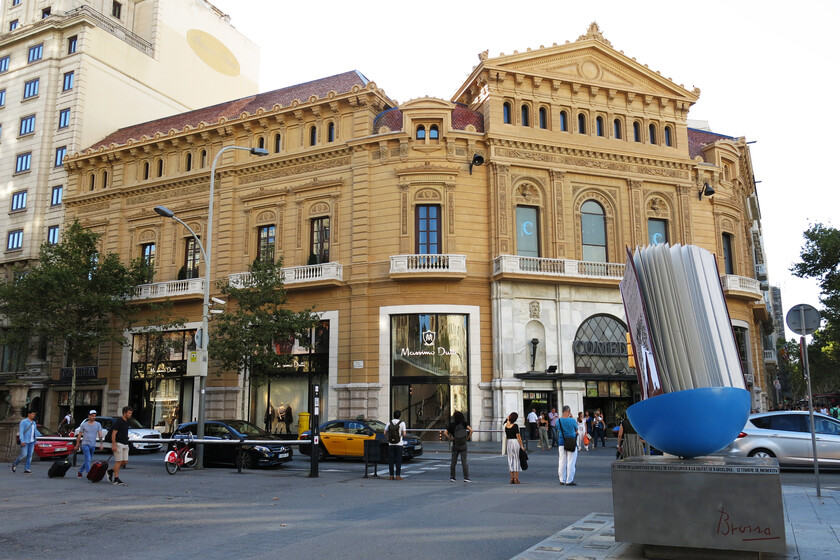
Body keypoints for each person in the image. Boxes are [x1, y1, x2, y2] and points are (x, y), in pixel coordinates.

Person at [107, 406, 133, 486]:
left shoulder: (127, 422)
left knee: (124, 461)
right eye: (129, 413)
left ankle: (110, 471)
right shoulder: (119, 421)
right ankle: (116, 479)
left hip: (125, 443)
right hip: (119, 443)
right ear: (124, 413)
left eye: (131, 413)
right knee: (118, 461)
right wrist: (114, 444)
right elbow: (113, 434)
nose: (130, 415)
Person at [444, 410, 473, 482]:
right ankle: (466, 477)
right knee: (464, 462)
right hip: (463, 444)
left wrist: (451, 438)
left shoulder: (452, 424)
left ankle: (452, 477)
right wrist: (467, 438)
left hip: (455, 444)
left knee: (453, 461)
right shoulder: (464, 423)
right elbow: (471, 430)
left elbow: (445, 433)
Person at [75, 410, 104, 478]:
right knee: (88, 459)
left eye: (94, 416)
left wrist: (101, 444)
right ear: (89, 416)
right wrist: (77, 444)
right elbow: (79, 435)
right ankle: (90, 473)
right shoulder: (84, 425)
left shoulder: (98, 424)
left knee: (88, 459)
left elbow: (100, 434)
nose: (93, 417)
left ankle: (80, 471)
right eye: (92, 416)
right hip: (85, 444)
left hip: (92, 444)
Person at [11, 410, 40, 474]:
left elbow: (35, 432)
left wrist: (38, 438)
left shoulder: (34, 423)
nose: (33, 416)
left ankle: (27, 469)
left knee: (29, 455)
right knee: (24, 454)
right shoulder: (24, 422)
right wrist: (22, 440)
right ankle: (15, 463)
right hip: (25, 441)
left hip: (32, 441)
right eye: (32, 414)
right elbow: (21, 432)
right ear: (29, 414)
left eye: (34, 414)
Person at [557, 405, 579, 486]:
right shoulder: (572, 421)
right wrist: (572, 418)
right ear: (568, 411)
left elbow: (558, 429)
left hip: (562, 442)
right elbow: (576, 430)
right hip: (571, 442)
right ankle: (569, 480)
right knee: (571, 462)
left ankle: (561, 479)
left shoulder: (558, 421)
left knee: (562, 461)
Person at [386, 410, 407, 480]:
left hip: (391, 443)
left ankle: (391, 475)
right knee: (398, 459)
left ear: (393, 415)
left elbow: (385, 432)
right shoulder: (402, 423)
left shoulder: (389, 422)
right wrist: (402, 436)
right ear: (399, 416)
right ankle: (398, 475)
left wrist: (388, 439)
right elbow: (404, 434)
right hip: (399, 444)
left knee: (391, 459)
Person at [504, 412, 524, 484]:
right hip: (515, 442)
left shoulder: (506, 426)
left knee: (510, 459)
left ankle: (511, 478)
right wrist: (521, 445)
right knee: (516, 459)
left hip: (509, 442)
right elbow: (518, 436)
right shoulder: (515, 426)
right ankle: (516, 478)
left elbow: (506, 422)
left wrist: (507, 419)